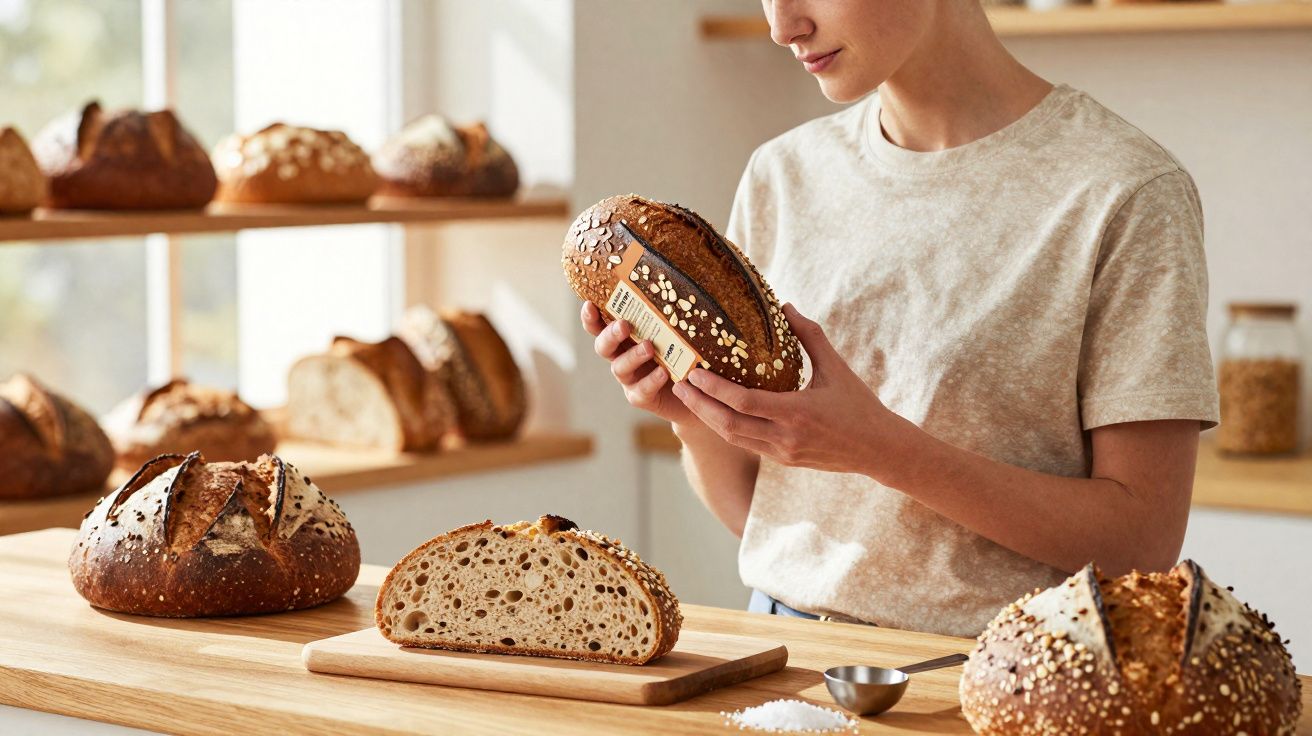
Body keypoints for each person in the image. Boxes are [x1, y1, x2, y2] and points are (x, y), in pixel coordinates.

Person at [580, 0, 1218, 637]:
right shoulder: (784, 173)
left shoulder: (1124, 190)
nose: (782, 26)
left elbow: (1142, 543)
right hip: (784, 648)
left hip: (996, 669)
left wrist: (879, 449)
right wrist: (694, 418)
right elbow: (774, 530)